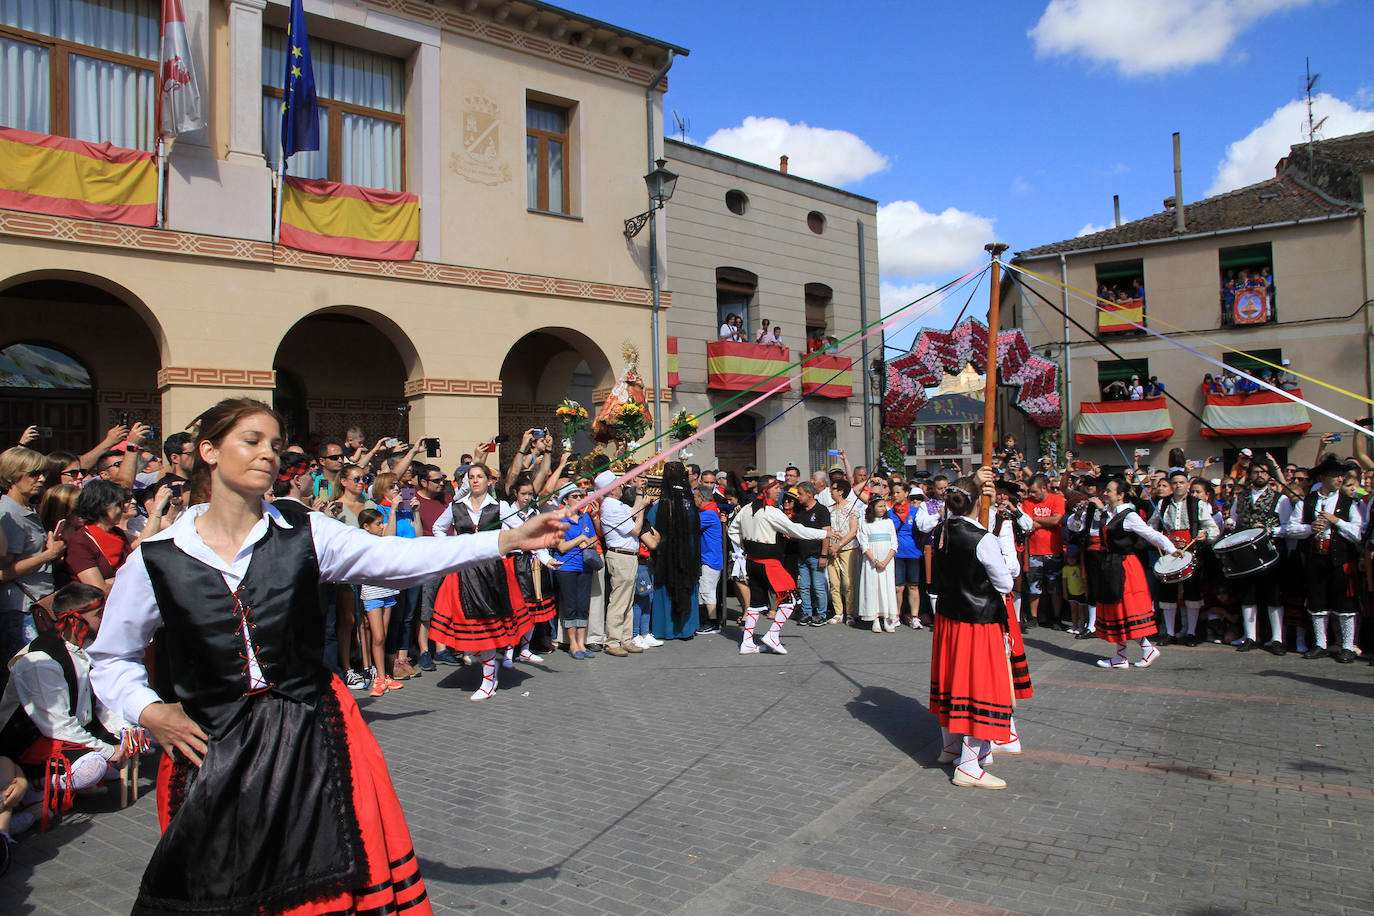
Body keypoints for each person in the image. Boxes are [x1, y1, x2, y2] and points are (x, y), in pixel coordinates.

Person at [88, 397, 568, 915]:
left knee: (324, 879)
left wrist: (507, 538)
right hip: (210, 742)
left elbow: (396, 559)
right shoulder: (157, 557)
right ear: (208, 451)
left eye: (274, 444)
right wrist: (150, 711)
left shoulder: (304, 531)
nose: (268, 454)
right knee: (211, 883)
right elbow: (112, 657)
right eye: (251, 441)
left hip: (309, 729)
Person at [0, 583, 132, 836]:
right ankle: (33, 788)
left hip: (69, 728)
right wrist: (107, 750)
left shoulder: (85, 647)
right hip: (29, 741)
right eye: (99, 614)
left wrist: (125, 733)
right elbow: (56, 725)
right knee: (93, 766)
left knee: (128, 742)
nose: (106, 619)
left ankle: (47, 789)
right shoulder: (40, 660)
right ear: (75, 618)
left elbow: (101, 702)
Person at [929, 475, 1015, 790]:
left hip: (949, 619)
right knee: (982, 689)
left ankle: (950, 746)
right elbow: (1005, 584)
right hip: (978, 621)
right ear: (978, 501)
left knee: (954, 683)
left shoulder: (940, 530)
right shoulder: (983, 538)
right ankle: (967, 764)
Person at [430, 463, 535, 700]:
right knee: (469, 626)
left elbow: (521, 532)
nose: (475, 480)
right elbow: (438, 528)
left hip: (491, 573)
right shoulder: (456, 506)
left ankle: (488, 680)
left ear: (489, 481)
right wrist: (451, 546)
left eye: (480, 476)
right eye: (471, 477)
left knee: (486, 627)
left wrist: (537, 552)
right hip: (464, 572)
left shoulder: (500, 506)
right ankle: (485, 666)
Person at [727, 474, 828, 654]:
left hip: (752, 562)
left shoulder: (746, 509)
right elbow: (796, 530)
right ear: (767, 490)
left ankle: (747, 642)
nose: (779, 491)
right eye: (777, 488)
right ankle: (773, 634)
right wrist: (823, 534)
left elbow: (733, 531)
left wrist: (745, 546)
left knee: (755, 604)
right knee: (790, 598)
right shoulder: (772, 512)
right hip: (769, 563)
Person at [1091, 477, 1184, 669]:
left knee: (1126, 609)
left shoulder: (1129, 516)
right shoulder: (1107, 513)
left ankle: (1146, 649)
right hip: (1110, 564)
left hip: (1125, 566)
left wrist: (1170, 548)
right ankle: (1121, 656)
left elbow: (1151, 534)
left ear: (1120, 494)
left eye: (1109, 490)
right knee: (1115, 609)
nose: (1105, 493)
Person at [1286, 456, 1364, 662]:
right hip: (1316, 558)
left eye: (1342, 475)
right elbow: (1291, 528)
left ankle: (1347, 646)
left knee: (1346, 604)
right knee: (1317, 601)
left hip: (1341, 558)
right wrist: (1309, 528)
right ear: (1323, 477)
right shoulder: (1308, 501)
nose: (1340, 479)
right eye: (1335, 475)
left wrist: (1337, 521)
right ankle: (1320, 643)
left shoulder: (1348, 502)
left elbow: (1358, 533)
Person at [1, 447, 66, 672]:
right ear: (12, 476)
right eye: (33, 474)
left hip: (35, 604)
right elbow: (4, 571)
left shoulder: (26, 508)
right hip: (20, 610)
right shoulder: (9, 515)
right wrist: (48, 555)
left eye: (42, 473)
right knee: (29, 673)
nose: (41, 479)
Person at [1147, 470, 1219, 647]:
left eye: (1181, 482)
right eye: (1175, 483)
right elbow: (1151, 526)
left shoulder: (1197, 504)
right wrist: (1158, 538)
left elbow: (1213, 529)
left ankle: (1191, 633)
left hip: (1191, 553)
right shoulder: (1162, 503)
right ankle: (1170, 633)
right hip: (1169, 554)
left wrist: (1205, 535)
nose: (1178, 485)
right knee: (1167, 593)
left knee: (1192, 593)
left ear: (1187, 484)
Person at [1226, 457, 1291, 652]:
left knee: (1274, 596)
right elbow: (1234, 519)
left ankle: (1277, 638)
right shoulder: (1241, 497)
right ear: (1250, 475)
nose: (1259, 475)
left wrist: (1270, 530)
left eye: (1263, 472)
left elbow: (1288, 527)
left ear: (1269, 475)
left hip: (1271, 552)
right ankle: (1250, 636)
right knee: (1248, 595)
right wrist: (1230, 524)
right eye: (1256, 472)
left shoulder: (1281, 499)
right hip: (1246, 554)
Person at [597, 471, 651, 655]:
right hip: (621, 556)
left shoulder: (615, 504)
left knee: (627, 600)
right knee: (619, 601)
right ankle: (613, 641)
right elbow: (635, 529)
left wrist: (638, 496)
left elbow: (631, 512)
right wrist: (642, 507)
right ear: (611, 490)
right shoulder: (610, 506)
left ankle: (625, 638)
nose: (621, 486)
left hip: (628, 555)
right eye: (618, 484)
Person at [647, 462, 702, 641]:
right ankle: (686, 628)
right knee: (687, 588)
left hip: (666, 558)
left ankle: (665, 629)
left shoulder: (658, 507)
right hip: (688, 556)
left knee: (666, 591)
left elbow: (651, 530)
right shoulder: (691, 506)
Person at [356, 507, 404, 698]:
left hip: (387, 591)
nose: (381, 527)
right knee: (377, 636)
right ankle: (379, 677)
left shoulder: (383, 541)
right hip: (372, 593)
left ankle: (384, 675)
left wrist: (393, 511)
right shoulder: (363, 544)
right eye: (377, 524)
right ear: (366, 527)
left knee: (383, 635)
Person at [552, 486, 597, 658]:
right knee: (570, 605)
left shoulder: (585, 518)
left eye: (581, 496)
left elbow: (593, 540)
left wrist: (587, 541)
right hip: (567, 566)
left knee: (583, 605)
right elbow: (561, 547)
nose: (579, 498)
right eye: (575, 496)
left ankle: (582, 642)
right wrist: (581, 539)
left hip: (585, 565)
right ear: (565, 500)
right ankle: (572, 643)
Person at [1021, 475, 1065, 629]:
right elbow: (1026, 523)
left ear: (1044, 489)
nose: (1031, 495)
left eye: (1034, 492)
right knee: (1034, 586)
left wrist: (1036, 521)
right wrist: (1044, 521)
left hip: (1053, 550)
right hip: (1034, 551)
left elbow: (1056, 520)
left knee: (1055, 586)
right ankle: (1034, 617)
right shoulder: (1027, 502)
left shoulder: (1057, 499)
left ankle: (1057, 617)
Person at [857, 495, 898, 633]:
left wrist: (885, 561)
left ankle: (887, 619)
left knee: (886, 588)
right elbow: (864, 545)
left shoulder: (889, 523)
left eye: (884, 506)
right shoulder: (866, 524)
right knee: (873, 588)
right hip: (871, 563)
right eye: (880, 506)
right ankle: (875, 619)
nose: (882, 509)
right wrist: (875, 561)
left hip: (887, 562)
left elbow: (894, 544)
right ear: (872, 507)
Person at [791, 482, 830, 626]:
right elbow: (794, 529)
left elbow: (826, 534)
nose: (798, 496)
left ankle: (821, 614)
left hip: (816, 555)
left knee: (818, 586)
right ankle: (806, 612)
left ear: (809, 494)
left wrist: (824, 555)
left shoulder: (821, 510)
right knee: (805, 586)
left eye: (800, 493)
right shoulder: (800, 511)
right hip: (802, 555)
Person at [824, 479, 860, 624]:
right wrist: (830, 547)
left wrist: (839, 545)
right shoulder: (829, 509)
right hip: (832, 550)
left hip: (848, 549)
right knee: (834, 582)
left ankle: (850, 612)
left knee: (848, 582)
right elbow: (826, 529)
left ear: (841, 491)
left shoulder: (852, 508)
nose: (830, 491)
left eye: (833, 488)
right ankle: (838, 612)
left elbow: (853, 531)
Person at [694, 485, 725, 634]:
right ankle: (705, 619)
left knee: (708, 590)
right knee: (703, 590)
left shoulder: (709, 514)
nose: (694, 500)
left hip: (710, 558)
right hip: (707, 557)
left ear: (701, 499)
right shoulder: (708, 512)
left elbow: (692, 524)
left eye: (695, 497)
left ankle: (712, 622)